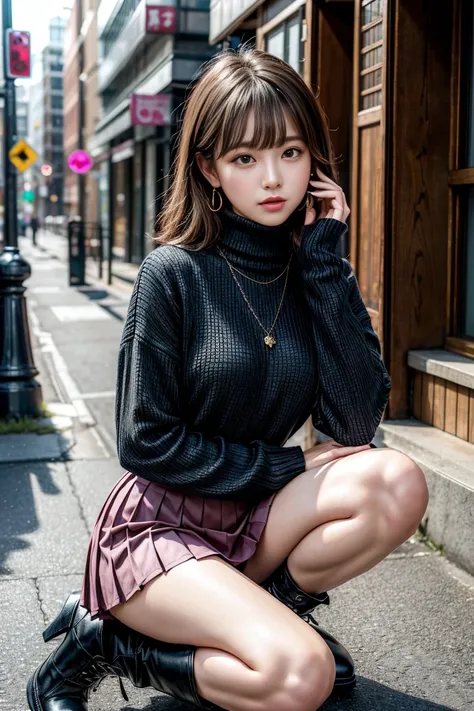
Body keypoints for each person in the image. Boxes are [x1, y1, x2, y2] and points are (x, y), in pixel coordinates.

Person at [27, 47, 428, 711]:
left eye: (291, 153)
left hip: (254, 518)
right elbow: (145, 441)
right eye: (245, 159)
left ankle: (259, 615)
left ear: (315, 161)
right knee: (302, 677)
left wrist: (326, 260)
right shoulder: (172, 272)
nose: (273, 177)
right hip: (160, 525)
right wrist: (286, 463)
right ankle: (104, 640)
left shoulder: (312, 270)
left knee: (396, 480)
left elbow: (357, 425)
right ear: (210, 168)